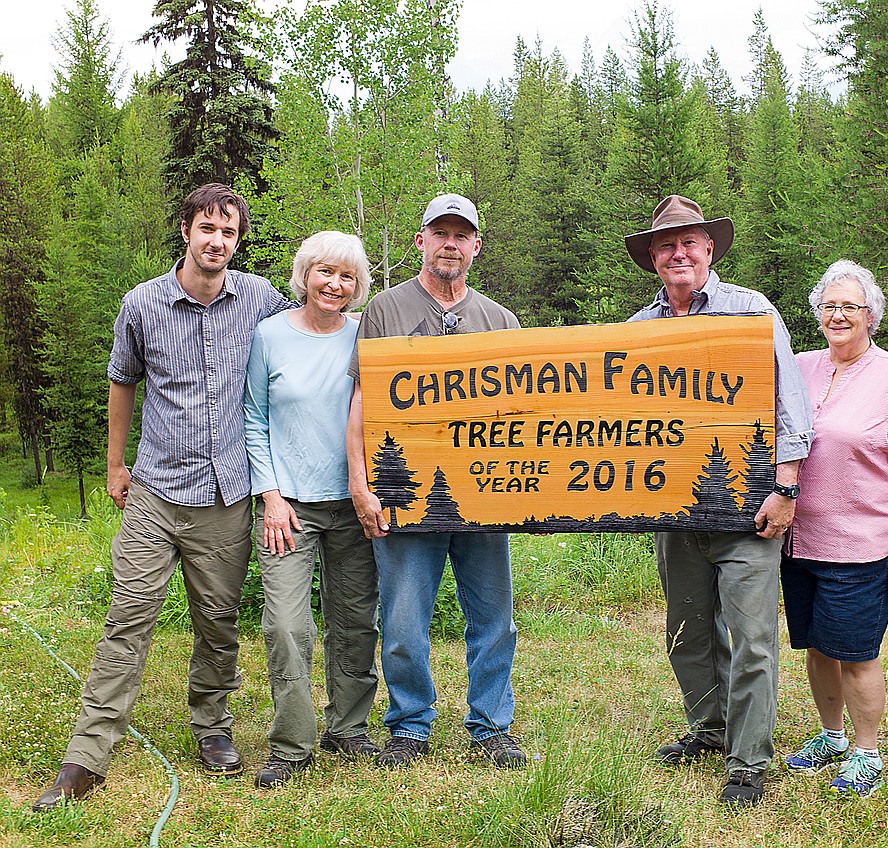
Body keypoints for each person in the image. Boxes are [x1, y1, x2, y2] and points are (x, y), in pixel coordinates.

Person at [33, 184, 296, 811]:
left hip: (226, 495)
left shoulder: (259, 298)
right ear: (186, 230)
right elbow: (122, 384)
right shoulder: (142, 304)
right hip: (154, 490)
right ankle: (87, 756)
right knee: (128, 620)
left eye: (229, 233)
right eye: (208, 228)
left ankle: (212, 727)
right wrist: (116, 463)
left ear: (239, 239)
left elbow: (306, 330)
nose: (218, 242)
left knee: (218, 624)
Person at [625, 195, 814, 807]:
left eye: (690, 243)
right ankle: (709, 728)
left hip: (747, 508)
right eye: (666, 245)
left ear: (710, 249)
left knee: (752, 634)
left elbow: (792, 404)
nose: (679, 253)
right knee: (688, 630)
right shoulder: (636, 332)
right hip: (672, 511)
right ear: (653, 258)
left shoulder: (751, 310)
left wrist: (785, 489)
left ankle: (749, 757)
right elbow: (616, 422)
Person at [345, 193, 526, 769]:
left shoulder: (500, 321)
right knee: (402, 619)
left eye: (461, 234)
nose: (450, 243)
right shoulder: (385, 310)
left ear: (476, 245)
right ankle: (408, 725)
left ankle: (491, 725)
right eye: (439, 233)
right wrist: (359, 485)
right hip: (403, 494)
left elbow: (525, 415)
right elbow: (361, 400)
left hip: (484, 497)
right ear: (420, 240)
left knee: (494, 616)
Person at [781, 260, 888, 797]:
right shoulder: (799, 367)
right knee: (818, 648)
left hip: (864, 543)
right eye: (829, 305)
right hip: (800, 540)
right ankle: (831, 736)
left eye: (850, 306)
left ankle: (866, 753)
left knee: (857, 653)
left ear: (872, 315)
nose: (838, 315)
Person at [243, 231, 379, 788]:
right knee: (285, 625)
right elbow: (253, 417)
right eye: (325, 272)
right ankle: (293, 743)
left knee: (354, 621)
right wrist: (269, 494)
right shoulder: (269, 335)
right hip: (288, 506)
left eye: (347, 276)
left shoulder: (365, 336)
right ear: (304, 275)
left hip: (354, 504)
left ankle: (348, 727)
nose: (335, 285)